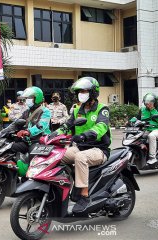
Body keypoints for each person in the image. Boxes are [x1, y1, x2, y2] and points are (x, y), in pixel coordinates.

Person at [58, 77, 111, 213]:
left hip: (99, 149)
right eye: (80, 91)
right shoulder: (76, 110)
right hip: (81, 148)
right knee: (58, 156)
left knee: (80, 157)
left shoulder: (102, 109)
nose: (82, 93)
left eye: (85, 91)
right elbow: (66, 127)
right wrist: (51, 136)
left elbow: (101, 126)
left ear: (93, 92)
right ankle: (68, 186)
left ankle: (84, 195)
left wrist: (85, 135)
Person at [11, 87, 51, 159]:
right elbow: (16, 122)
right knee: (11, 148)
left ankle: (32, 170)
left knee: (32, 155)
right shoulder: (27, 111)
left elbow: (42, 125)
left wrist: (28, 131)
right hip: (28, 141)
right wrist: (3, 132)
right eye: (27, 98)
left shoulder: (45, 111)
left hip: (39, 141)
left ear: (37, 98)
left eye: (30, 98)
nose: (27, 100)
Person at [133, 93, 158, 165]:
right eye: (146, 103)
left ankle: (152, 157)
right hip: (147, 129)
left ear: (155, 103)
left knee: (151, 136)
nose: (148, 105)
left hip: (157, 129)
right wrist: (130, 121)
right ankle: (141, 152)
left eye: (150, 103)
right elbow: (137, 118)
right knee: (135, 136)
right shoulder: (142, 109)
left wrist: (153, 110)